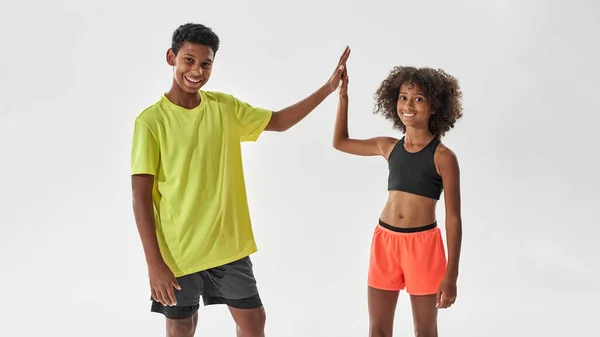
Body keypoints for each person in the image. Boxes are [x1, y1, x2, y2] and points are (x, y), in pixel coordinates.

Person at [130, 22, 350, 337]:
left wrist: (328, 89)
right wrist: (154, 263)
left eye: (206, 64)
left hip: (227, 245)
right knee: (181, 325)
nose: (197, 70)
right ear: (171, 58)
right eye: (188, 60)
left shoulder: (225, 108)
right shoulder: (150, 122)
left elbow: (279, 121)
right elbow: (140, 196)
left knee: (253, 320)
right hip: (178, 250)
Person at [332, 65, 463, 337]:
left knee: (425, 331)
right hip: (385, 242)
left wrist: (451, 274)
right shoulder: (388, 146)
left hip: (424, 247)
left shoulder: (443, 157)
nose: (408, 105)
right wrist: (343, 99)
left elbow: (453, 218)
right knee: (378, 330)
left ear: (435, 107)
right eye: (403, 97)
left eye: (418, 99)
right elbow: (340, 142)